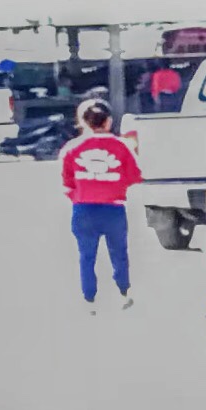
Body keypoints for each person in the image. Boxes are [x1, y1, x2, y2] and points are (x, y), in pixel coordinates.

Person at [60, 98, 136, 311]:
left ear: (82, 122)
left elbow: (67, 182)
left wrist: (80, 195)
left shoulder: (72, 148)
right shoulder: (121, 146)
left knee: (86, 255)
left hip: (83, 209)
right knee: (119, 253)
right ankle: (124, 292)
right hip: (113, 209)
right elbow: (133, 175)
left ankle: (89, 299)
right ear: (109, 121)